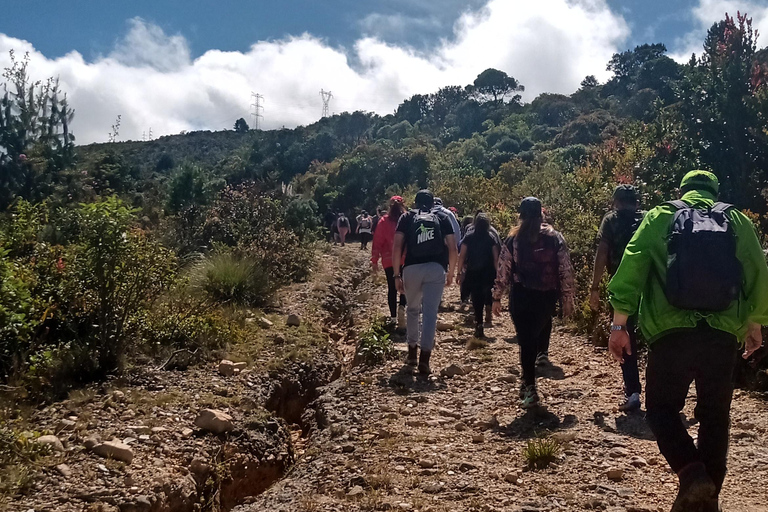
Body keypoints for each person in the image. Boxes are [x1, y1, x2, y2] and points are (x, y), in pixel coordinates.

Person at [608, 170, 768, 512]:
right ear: (714, 191)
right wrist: (755, 323)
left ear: (682, 190)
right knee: (714, 415)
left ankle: (693, 474)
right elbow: (758, 271)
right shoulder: (737, 219)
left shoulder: (662, 215)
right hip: (723, 334)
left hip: (671, 334)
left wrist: (619, 324)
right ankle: (708, 500)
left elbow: (632, 263)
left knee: (662, 410)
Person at [492, 197, 575, 409]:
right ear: (541, 214)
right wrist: (567, 298)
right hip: (547, 297)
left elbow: (504, 269)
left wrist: (496, 297)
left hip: (521, 295)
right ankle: (528, 384)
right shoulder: (555, 238)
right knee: (533, 338)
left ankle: (529, 385)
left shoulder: (514, 239)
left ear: (520, 215)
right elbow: (565, 269)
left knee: (525, 340)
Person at [590, 185, 645, 412]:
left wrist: (594, 287)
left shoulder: (610, 220)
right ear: (637, 202)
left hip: (622, 287)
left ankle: (632, 391)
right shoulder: (647, 219)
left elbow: (602, 252)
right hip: (651, 285)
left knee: (624, 334)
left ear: (616, 202)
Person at [392, 189, 458, 375]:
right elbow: (453, 248)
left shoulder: (406, 218)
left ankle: (412, 352)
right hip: (436, 269)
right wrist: (451, 272)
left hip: (412, 268)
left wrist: (397, 274)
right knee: (430, 314)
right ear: (432, 204)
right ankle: (425, 360)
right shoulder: (443, 219)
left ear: (415, 203)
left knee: (412, 310)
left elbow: (397, 247)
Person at [457, 213, 500, 338]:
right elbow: (495, 258)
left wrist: (459, 272)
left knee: (476, 299)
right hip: (488, 272)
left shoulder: (469, 236)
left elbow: (462, 256)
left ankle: (479, 324)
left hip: (473, 272)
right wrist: (498, 275)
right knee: (488, 292)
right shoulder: (491, 237)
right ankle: (488, 309)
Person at [371, 196, 407, 329]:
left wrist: (374, 259)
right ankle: (402, 306)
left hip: (389, 260)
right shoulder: (407, 219)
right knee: (405, 287)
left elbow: (377, 242)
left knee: (392, 288)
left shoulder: (384, 221)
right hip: (405, 259)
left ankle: (393, 317)